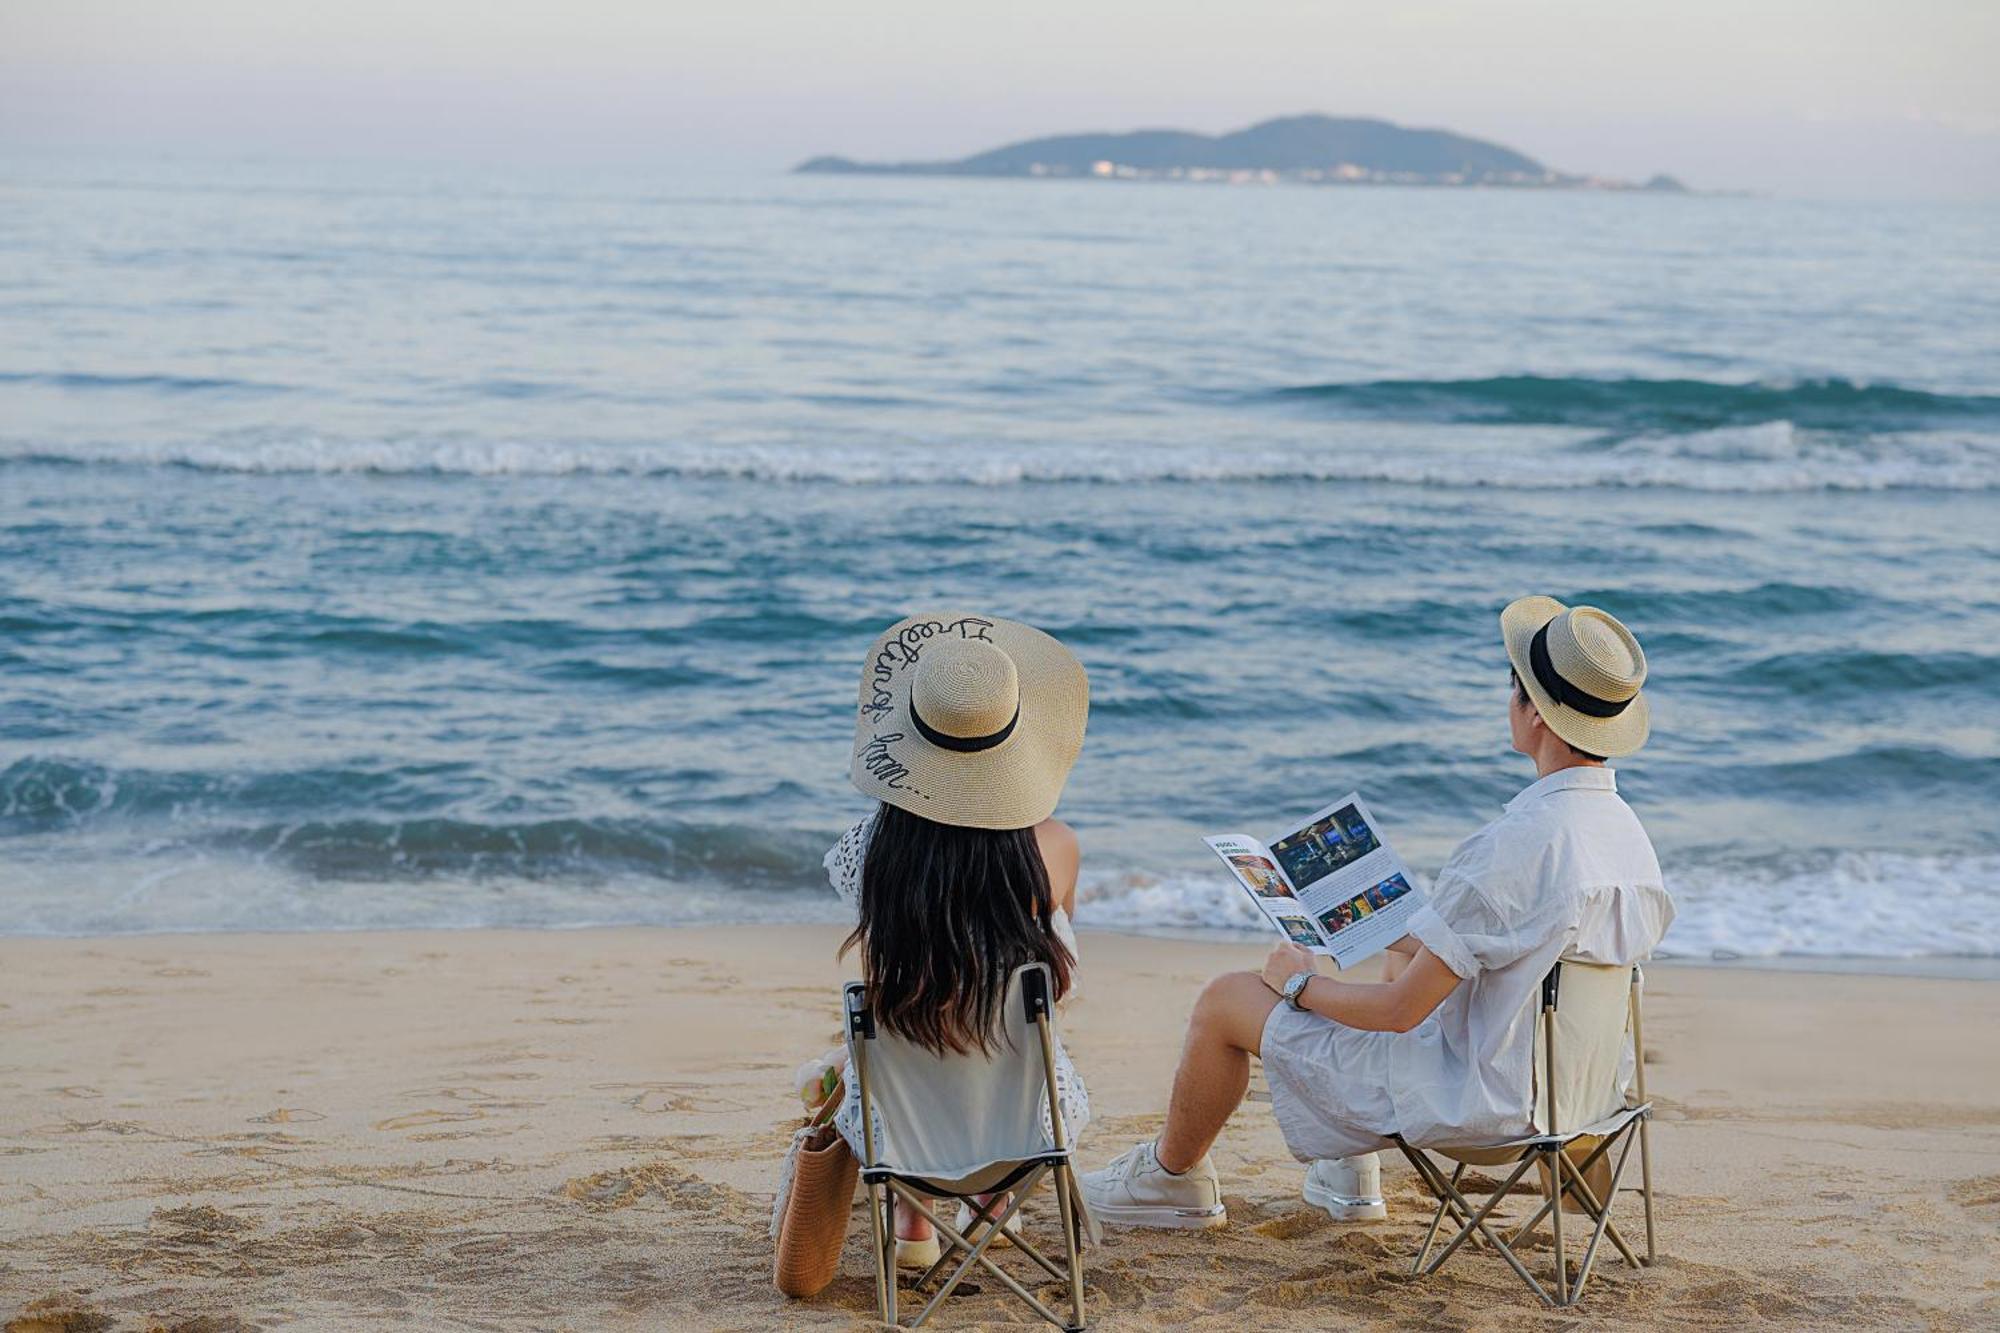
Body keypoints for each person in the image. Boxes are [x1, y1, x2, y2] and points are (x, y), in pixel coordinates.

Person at [1081, 596, 1674, 1229]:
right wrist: (1400, 929)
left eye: (1516, 692)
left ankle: (1173, 1181)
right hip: (1575, 1098)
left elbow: (1398, 1015)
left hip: (1481, 1104)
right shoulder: (1627, 836)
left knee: (1225, 1001)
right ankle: (1347, 1170)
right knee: (1401, 953)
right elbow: (1520, 952)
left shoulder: (1519, 843)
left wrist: (1300, 986)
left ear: (1534, 715)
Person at [824, 613, 1091, 1266]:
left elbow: (888, 967)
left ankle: (911, 1216)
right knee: (1010, 1003)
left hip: (904, 1144)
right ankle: (997, 1201)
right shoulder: (1054, 850)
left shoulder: (867, 856)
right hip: (1023, 1132)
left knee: (903, 1002)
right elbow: (1067, 980)